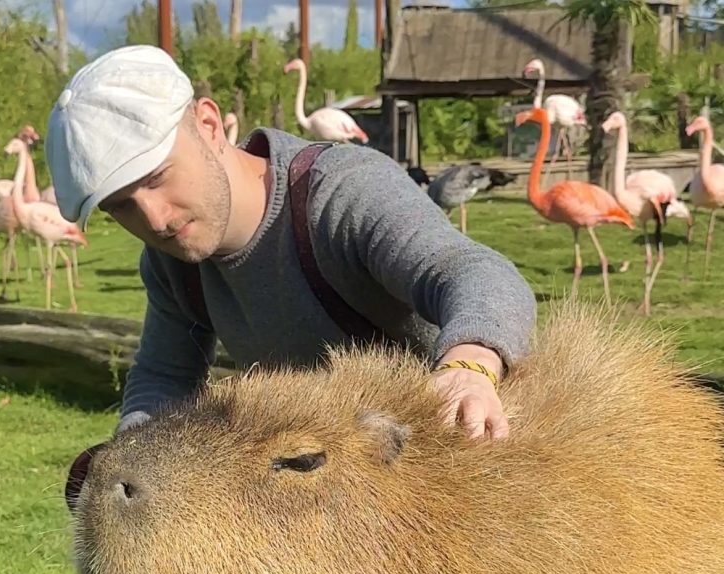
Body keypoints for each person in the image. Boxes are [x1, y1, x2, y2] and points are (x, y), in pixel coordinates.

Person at [46, 45, 536, 440]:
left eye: (156, 178)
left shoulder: (341, 192)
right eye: (121, 206)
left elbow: (474, 272)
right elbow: (164, 378)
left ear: (210, 125)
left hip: (459, 463)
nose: (153, 219)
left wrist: (469, 367)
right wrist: (126, 463)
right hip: (328, 501)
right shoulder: (173, 263)